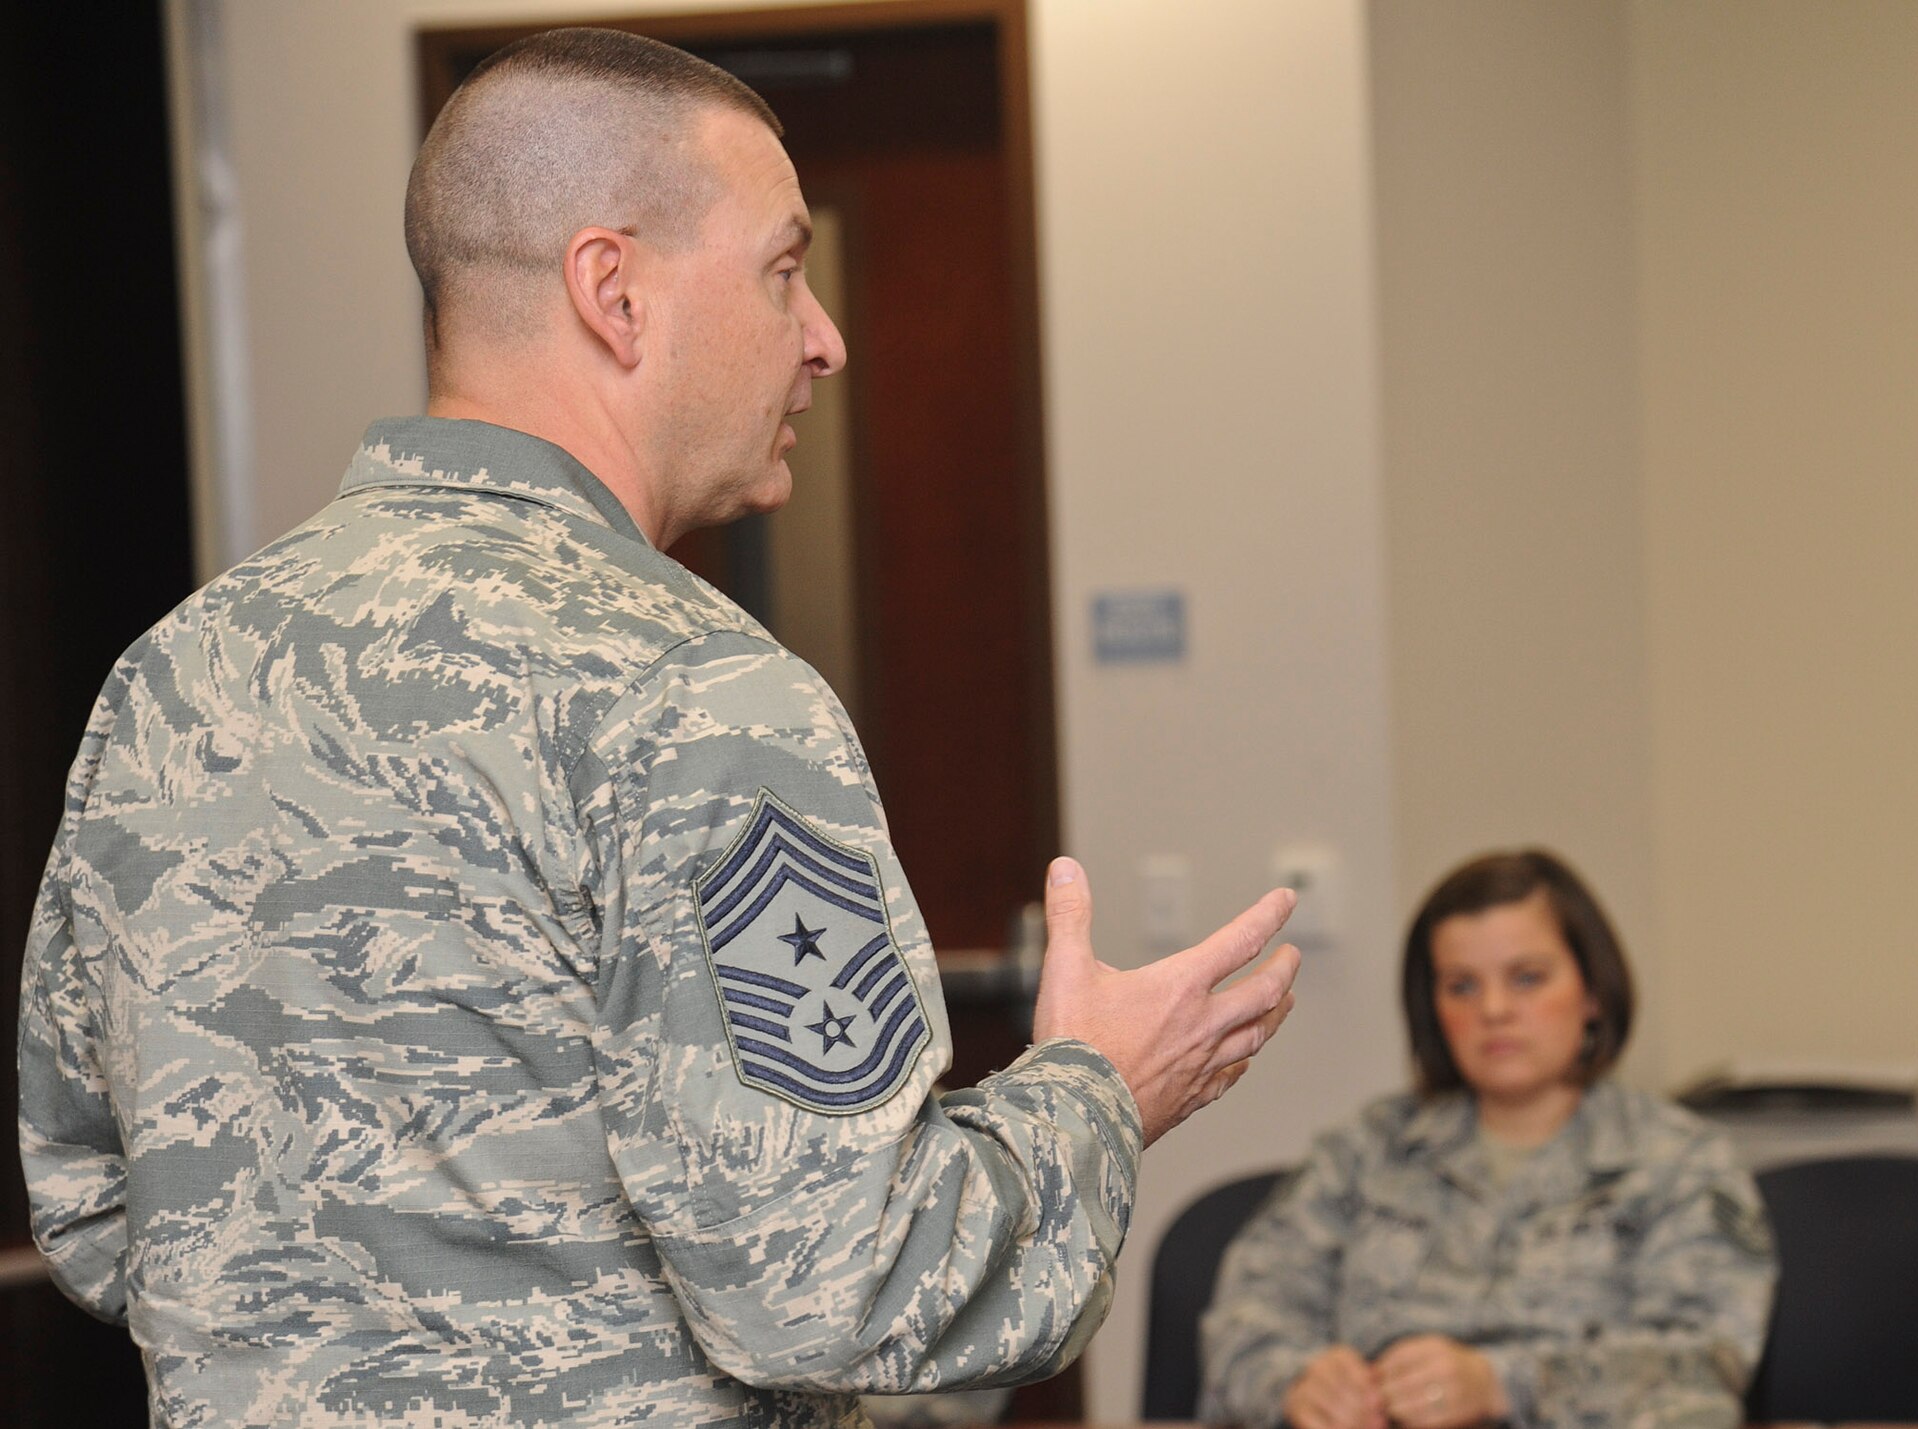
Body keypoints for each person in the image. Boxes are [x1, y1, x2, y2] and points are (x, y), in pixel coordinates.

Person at [17, 29, 1302, 1428]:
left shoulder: (177, 674)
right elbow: (843, 1287)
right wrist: (1100, 1092)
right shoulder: (694, 693)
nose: (826, 337)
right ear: (613, 290)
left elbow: (87, 1193)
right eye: (782, 266)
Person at [1200, 850, 1774, 1429]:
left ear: (1593, 993)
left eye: (1527, 978)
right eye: (1462, 986)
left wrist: (1503, 1385)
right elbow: (1244, 1325)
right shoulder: (1365, 1154)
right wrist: (1299, 1382)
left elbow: (1706, 1365)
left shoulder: (1680, 1162)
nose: (1494, 1010)